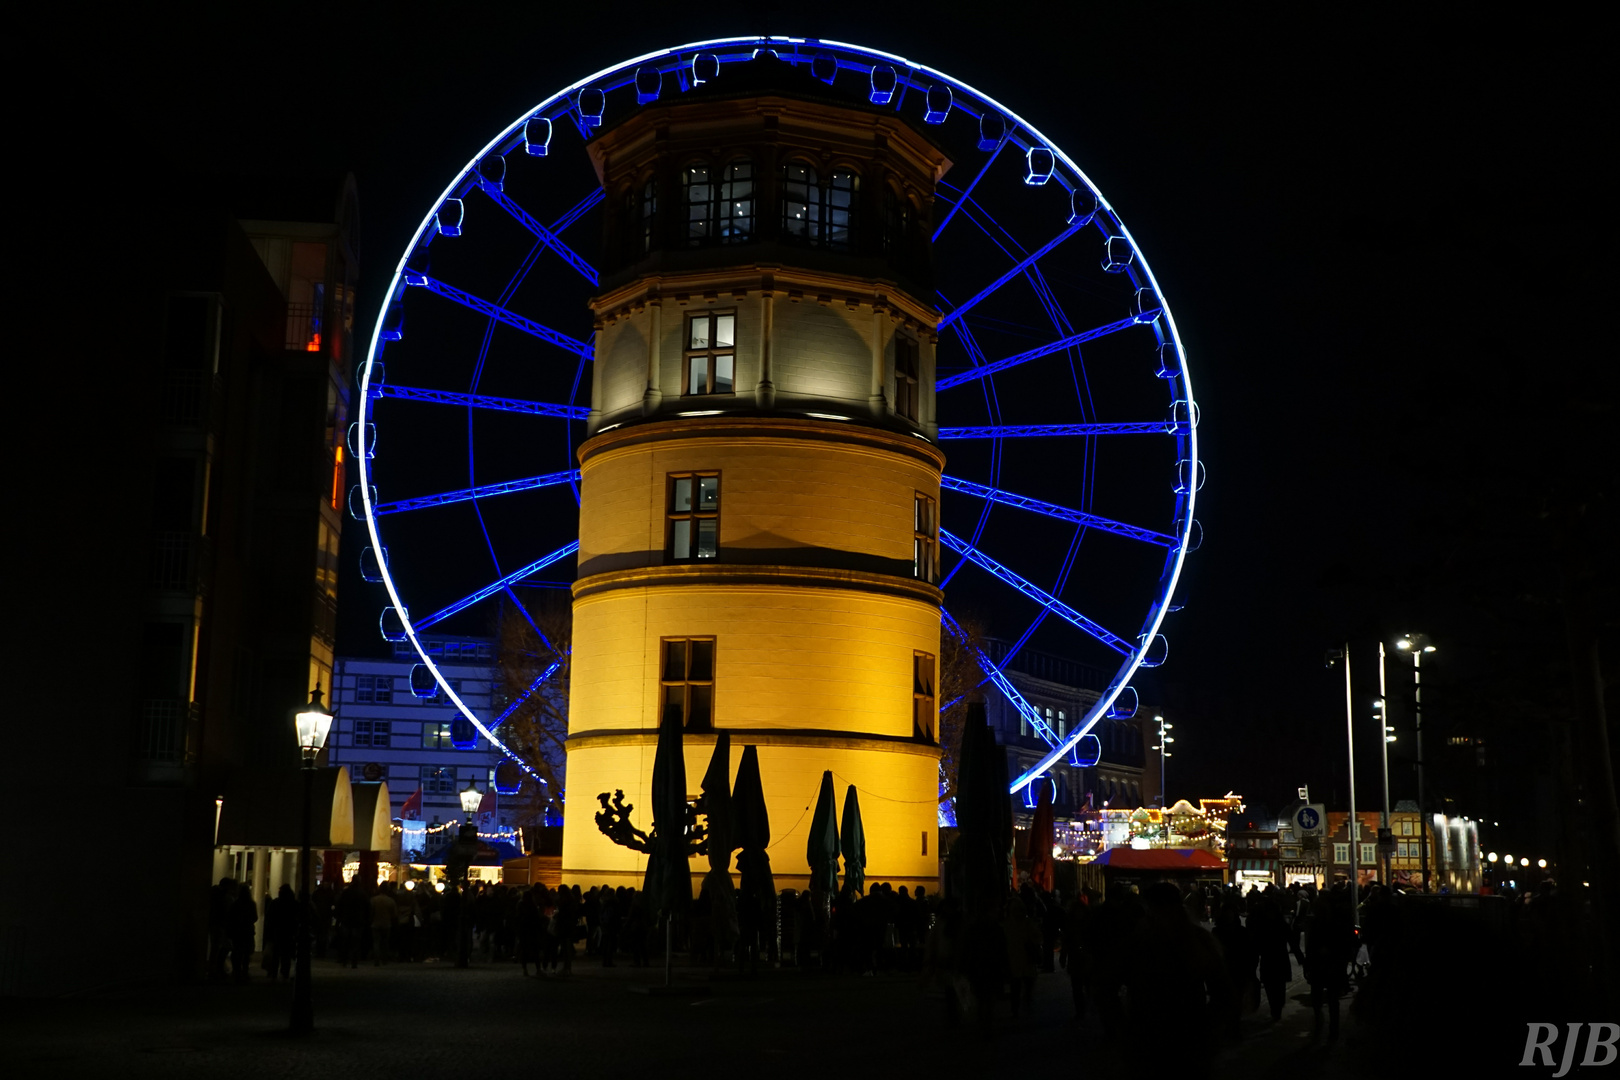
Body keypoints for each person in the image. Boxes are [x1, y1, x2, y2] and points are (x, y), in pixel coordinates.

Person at [268, 884, 299, 980]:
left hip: (277, 931)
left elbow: (270, 917)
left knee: (276, 954)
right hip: (288, 931)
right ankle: (284, 972)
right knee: (286, 954)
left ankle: (273, 973)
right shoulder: (293, 904)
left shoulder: (275, 903)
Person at [229, 884, 259, 983]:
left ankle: (237, 971)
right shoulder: (251, 904)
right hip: (248, 931)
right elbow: (255, 917)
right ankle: (245, 971)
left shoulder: (236, 904)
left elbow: (231, 917)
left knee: (237, 951)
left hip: (237, 931)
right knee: (246, 953)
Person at [370, 882, 398, 965]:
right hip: (386, 923)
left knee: (376, 942)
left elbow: (371, 912)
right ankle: (384, 959)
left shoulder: (374, 900)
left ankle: (376, 959)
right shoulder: (390, 901)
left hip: (375, 923)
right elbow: (394, 914)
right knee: (385, 942)